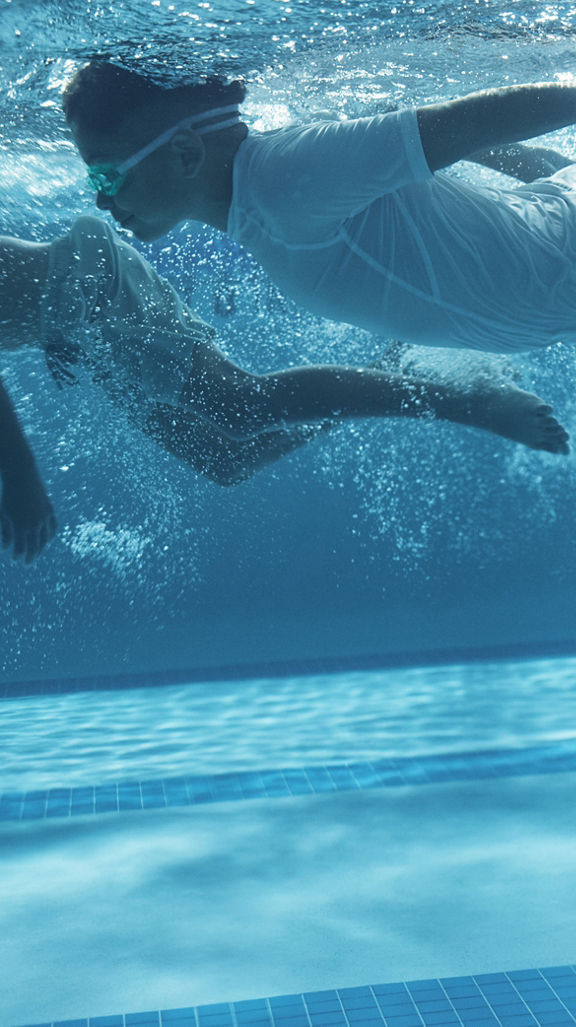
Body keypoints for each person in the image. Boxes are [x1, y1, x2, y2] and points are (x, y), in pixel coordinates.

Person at [0, 214, 569, 562]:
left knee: (240, 405)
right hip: (78, 312)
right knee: (226, 459)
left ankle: (474, 406)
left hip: (90, 279)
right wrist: (56, 327)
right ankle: (393, 364)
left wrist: (22, 480)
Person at [63, 62, 576, 359]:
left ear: (186, 153)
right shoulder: (263, 201)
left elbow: (481, 119)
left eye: (104, 174)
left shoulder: (287, 180)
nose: (99, 199)